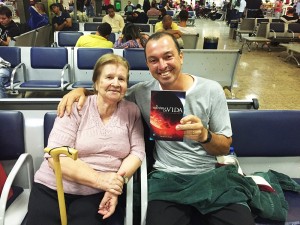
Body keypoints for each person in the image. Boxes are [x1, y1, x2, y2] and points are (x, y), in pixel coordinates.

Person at [57, 32, 258, 225]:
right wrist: (81, 91)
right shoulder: (143, 92)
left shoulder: (211, 90)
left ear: (181, 56)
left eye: (168, 57)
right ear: (147, 64)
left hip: (209, 175)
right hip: (167, 178)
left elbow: (224, 147)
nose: (162, 66)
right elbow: (110, 91)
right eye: (153, 60)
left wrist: (205, 136)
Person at [26, 53, 145, 225]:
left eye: (122, 79)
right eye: (109, 77)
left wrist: (115, 185)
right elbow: (55, 156)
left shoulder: (131, 111)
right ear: (96, 82)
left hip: (98, 194)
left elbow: (137, 151)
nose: (116, 83)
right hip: (53, 188)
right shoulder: (76, 106)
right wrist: (100, 179)